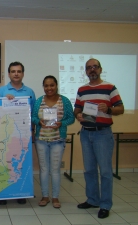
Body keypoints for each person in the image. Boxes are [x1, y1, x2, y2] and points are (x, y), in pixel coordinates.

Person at [74, 58, 124, 219]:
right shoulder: (81, 89)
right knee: (89, 170)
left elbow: (120, 109)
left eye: (95, 67)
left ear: (100, 69)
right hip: (86, 133)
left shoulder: (110, 88)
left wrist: (109, 109)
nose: (92, 70)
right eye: (89, 68)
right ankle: (93, 199)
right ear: (86, 71)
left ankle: (105, 204)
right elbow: (77, 109)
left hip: (103, 134)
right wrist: (79, 115)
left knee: (105, 172)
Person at [0, 61, 36, 205]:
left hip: (23, 136)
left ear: (23, 74)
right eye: (13, 71)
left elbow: (34, 113)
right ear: (9, 74)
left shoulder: (30, 92)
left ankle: (21, 192)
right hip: (5, 135)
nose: (16, 74)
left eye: (19, 71)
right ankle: (3, 194)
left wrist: (33, 132)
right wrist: (4, 101)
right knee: (4, 163)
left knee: (22, 163)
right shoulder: (1, 91)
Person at [31, 75, 74, 208]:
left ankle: (55, 197)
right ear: (43, 87)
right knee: (44, 169)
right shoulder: (39, 100)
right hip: (41, 140)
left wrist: (61, 123)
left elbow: (71, 118)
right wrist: (39, 121)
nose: (49, 88)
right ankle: (45, 196)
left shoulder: (64, 101)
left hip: (57, 140)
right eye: (46, 86)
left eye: (52, 85)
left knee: (55, 170)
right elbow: (33, 117)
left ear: (56, 86)